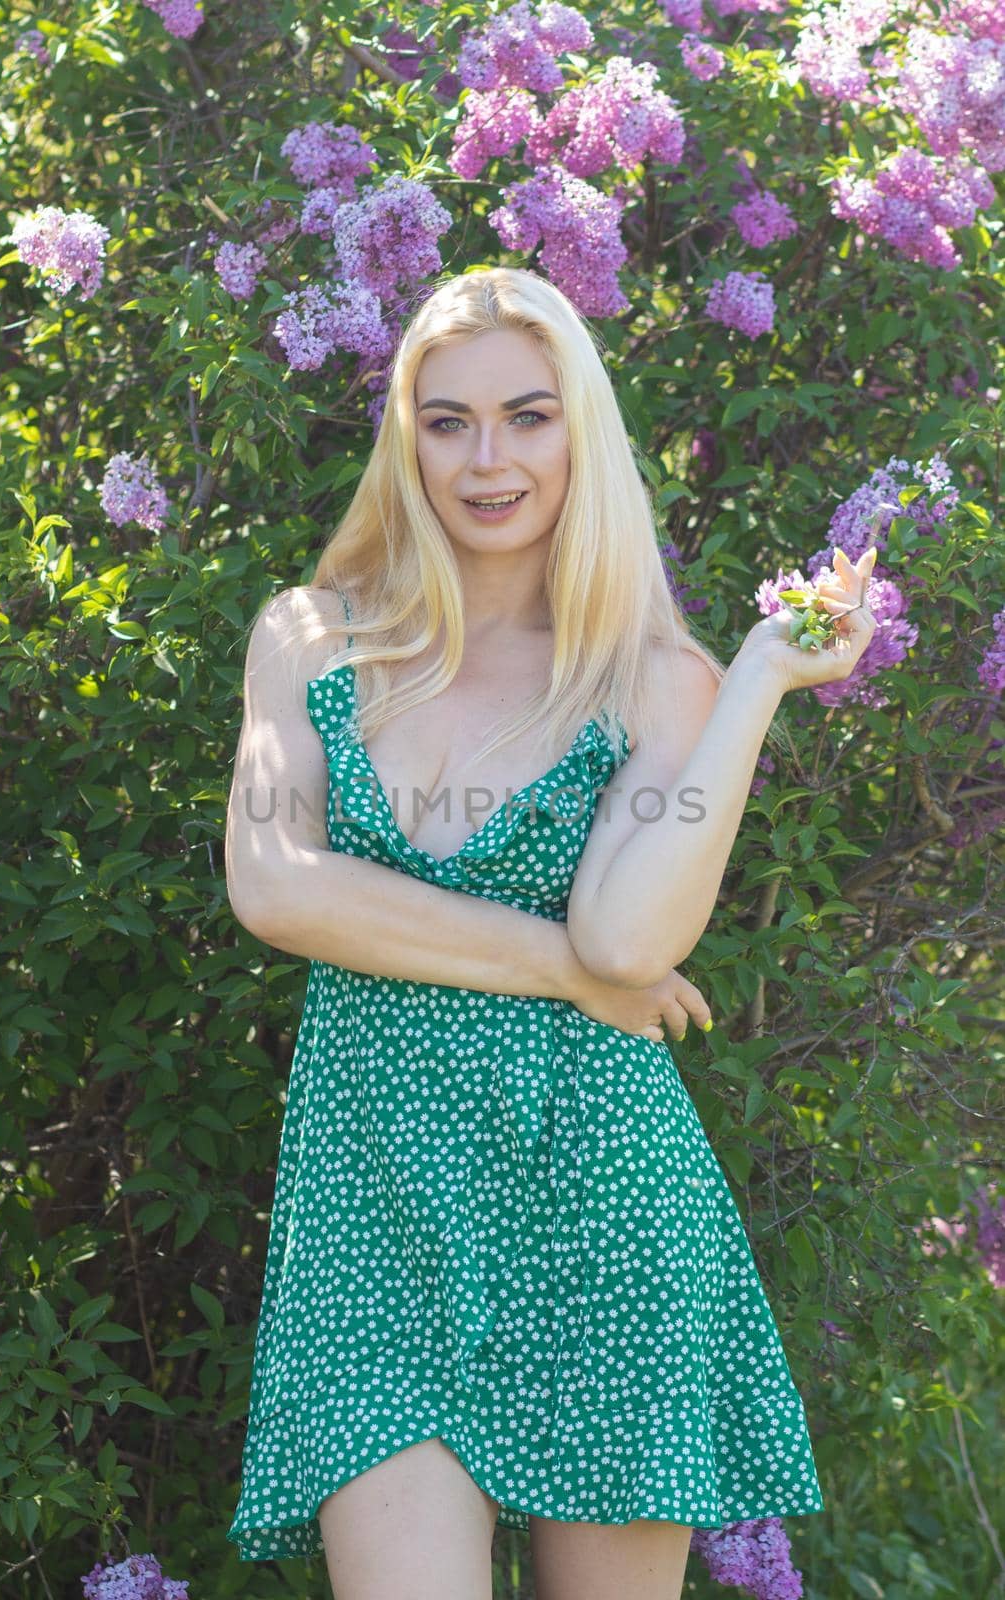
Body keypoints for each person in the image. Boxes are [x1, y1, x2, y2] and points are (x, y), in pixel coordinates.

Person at [224, 266, 877, 1600]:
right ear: (404, 435)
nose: (487, 459)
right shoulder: (311, 641)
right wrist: (563, 978)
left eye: (528, 415)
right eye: (448, 419)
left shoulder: (656, 679)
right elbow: (279, 888)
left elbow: (630, 938)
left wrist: (754, 679)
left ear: (582, 431)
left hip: (606, 1215)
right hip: (378, 1218)